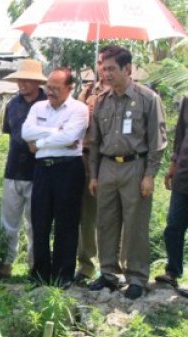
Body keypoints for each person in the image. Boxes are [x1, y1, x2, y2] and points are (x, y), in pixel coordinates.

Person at [88, 45, 167, 299]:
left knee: (135, 225)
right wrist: (93, 175)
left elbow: (158, 140)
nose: (105, 73)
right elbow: (94, 142)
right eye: (103, 67)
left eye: (111, 68)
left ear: (127, 69)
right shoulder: (101, 101)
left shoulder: (147, 98)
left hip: (135, 166)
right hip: (107, 166)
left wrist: (149, 175)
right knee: (106, 223)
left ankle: (136, 277)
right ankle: (108, 274)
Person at [21, 68, 89, 288]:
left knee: (66, 223)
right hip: (42, 169)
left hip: (68, 169)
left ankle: (63, 274)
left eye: (56, 89)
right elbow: (26, 133)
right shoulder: (38, 107)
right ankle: (40, 273)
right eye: (48, 87)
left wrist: (40, 142)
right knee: (39, 221)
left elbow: (71, 136)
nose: (50, 92)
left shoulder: (79, 109)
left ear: (69, 88)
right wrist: (55, 132)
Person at [0, 59, 47, 280]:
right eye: (19, 79)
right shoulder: (12, 105)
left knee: (35, 223)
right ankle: (5, 264)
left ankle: (35, 266)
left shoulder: (48, 103)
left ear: (36, 82)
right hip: (14, 169)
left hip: (39, 171)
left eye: (27, 80)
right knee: (8, 222)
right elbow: (11, 134)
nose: (22, 84)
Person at [75, 50, 111, 285]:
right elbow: (75, 120)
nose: (102, 68)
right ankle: (87, 265)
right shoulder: (87, 91)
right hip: (86, 160)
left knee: (111, 216)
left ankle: (113, 267)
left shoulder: (122, 93)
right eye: (99, 63)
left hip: (112, 160)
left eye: (107, 64)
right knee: (86, 217)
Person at [156, 95, 188, 289]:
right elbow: (181, 135)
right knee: (174, 226)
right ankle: (172, 272)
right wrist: (173, 166)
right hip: (184, 173)